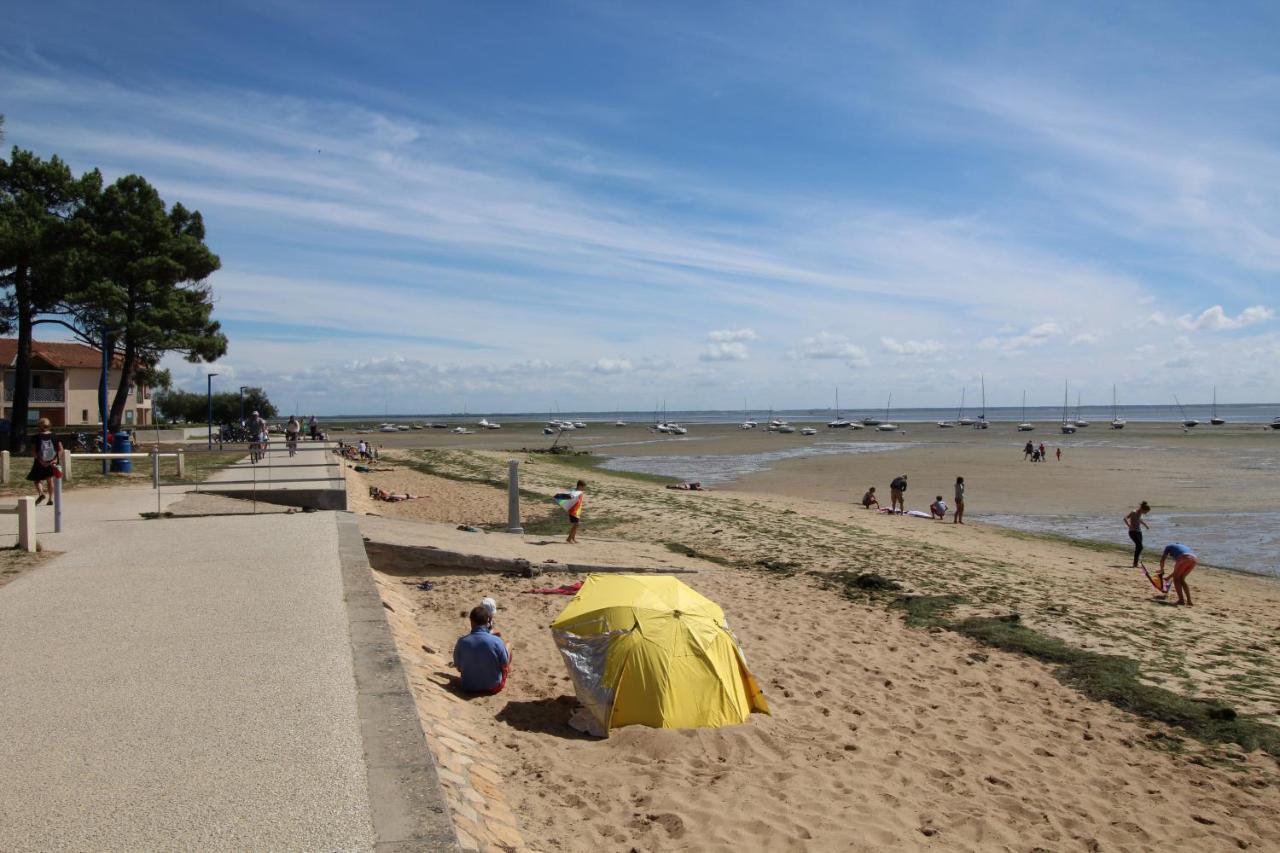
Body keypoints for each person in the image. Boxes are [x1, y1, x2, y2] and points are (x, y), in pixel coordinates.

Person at [452, 605, 511, 694]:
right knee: (508, 645)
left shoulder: (461, 642)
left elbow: (459, 668)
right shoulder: (497, 641)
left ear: (471, 621)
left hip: (468, 687)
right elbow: (504, 663)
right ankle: (506, 673)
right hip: (493, 687)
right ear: (488, 621)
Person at [27, 418, 62, 505]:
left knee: (37, 480)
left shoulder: (36, 437)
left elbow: (33, 451)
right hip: (52, 461)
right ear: (49, 426)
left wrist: (40, 461)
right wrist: (55, 459)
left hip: (40, 461)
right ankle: (50, 499)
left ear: (39, 426)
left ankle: (41, 493)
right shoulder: (54, 436)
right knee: (50, 480)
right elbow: (60, 449)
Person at [1124, 501, 1151, 567]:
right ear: (1143, 509)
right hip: (1132, 532)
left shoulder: (1140, 513)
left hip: (1139, 531)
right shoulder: (1134, 512)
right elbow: (1125, 518)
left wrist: (1145, 525)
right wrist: (1128, 525)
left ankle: (1135, 563)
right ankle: (1135, 563)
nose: (1146, 513)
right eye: (1146, 511)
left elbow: (1139, 520)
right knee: (1140, 547)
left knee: (1138, 547)